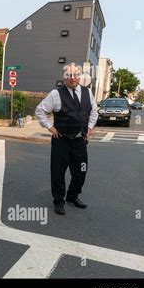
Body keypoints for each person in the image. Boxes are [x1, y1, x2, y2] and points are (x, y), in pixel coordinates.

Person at [35, 63, 98, 215]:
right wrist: (50, 127)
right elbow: (40, 111)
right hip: (61, 140)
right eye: (69, 75)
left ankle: (72, 196)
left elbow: (94, 112)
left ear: (80, 76)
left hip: (79, 141)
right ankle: (58, 201)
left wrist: (89, 128)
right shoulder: (56, 94)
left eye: (76, 74)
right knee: (58, 172)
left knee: (81, 170)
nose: (73, 78)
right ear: (64, 78)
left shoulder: (87, 92)